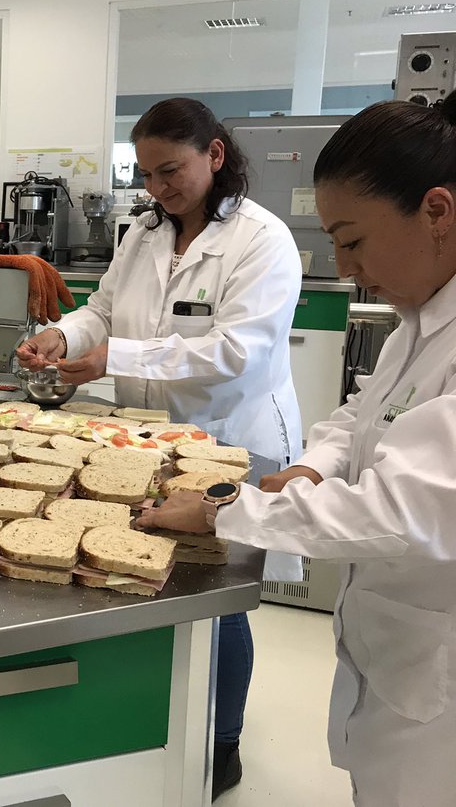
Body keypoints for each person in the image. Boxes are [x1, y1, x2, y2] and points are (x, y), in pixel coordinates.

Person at [138, 97, 456, 805]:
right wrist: (316, 463)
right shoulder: (423, 316)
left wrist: (225, 514)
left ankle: (220, 746)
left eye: (353, 240)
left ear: (437, 211)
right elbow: (361, 412)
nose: (345, 268)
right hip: (398, 653)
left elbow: (404, 510)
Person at [17, 97, 304, 798]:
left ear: (214, 155)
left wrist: (117, 356)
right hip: (148, 440)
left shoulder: (261, 240)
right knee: (146, 570)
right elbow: (105, 308)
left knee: (216, 593)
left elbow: (236, 352)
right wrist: (69, 334)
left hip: (231, 440)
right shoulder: (144, 232)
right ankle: (156, 723)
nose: (157, 189)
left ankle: (223, 740)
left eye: (169, 170)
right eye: (144, 174)